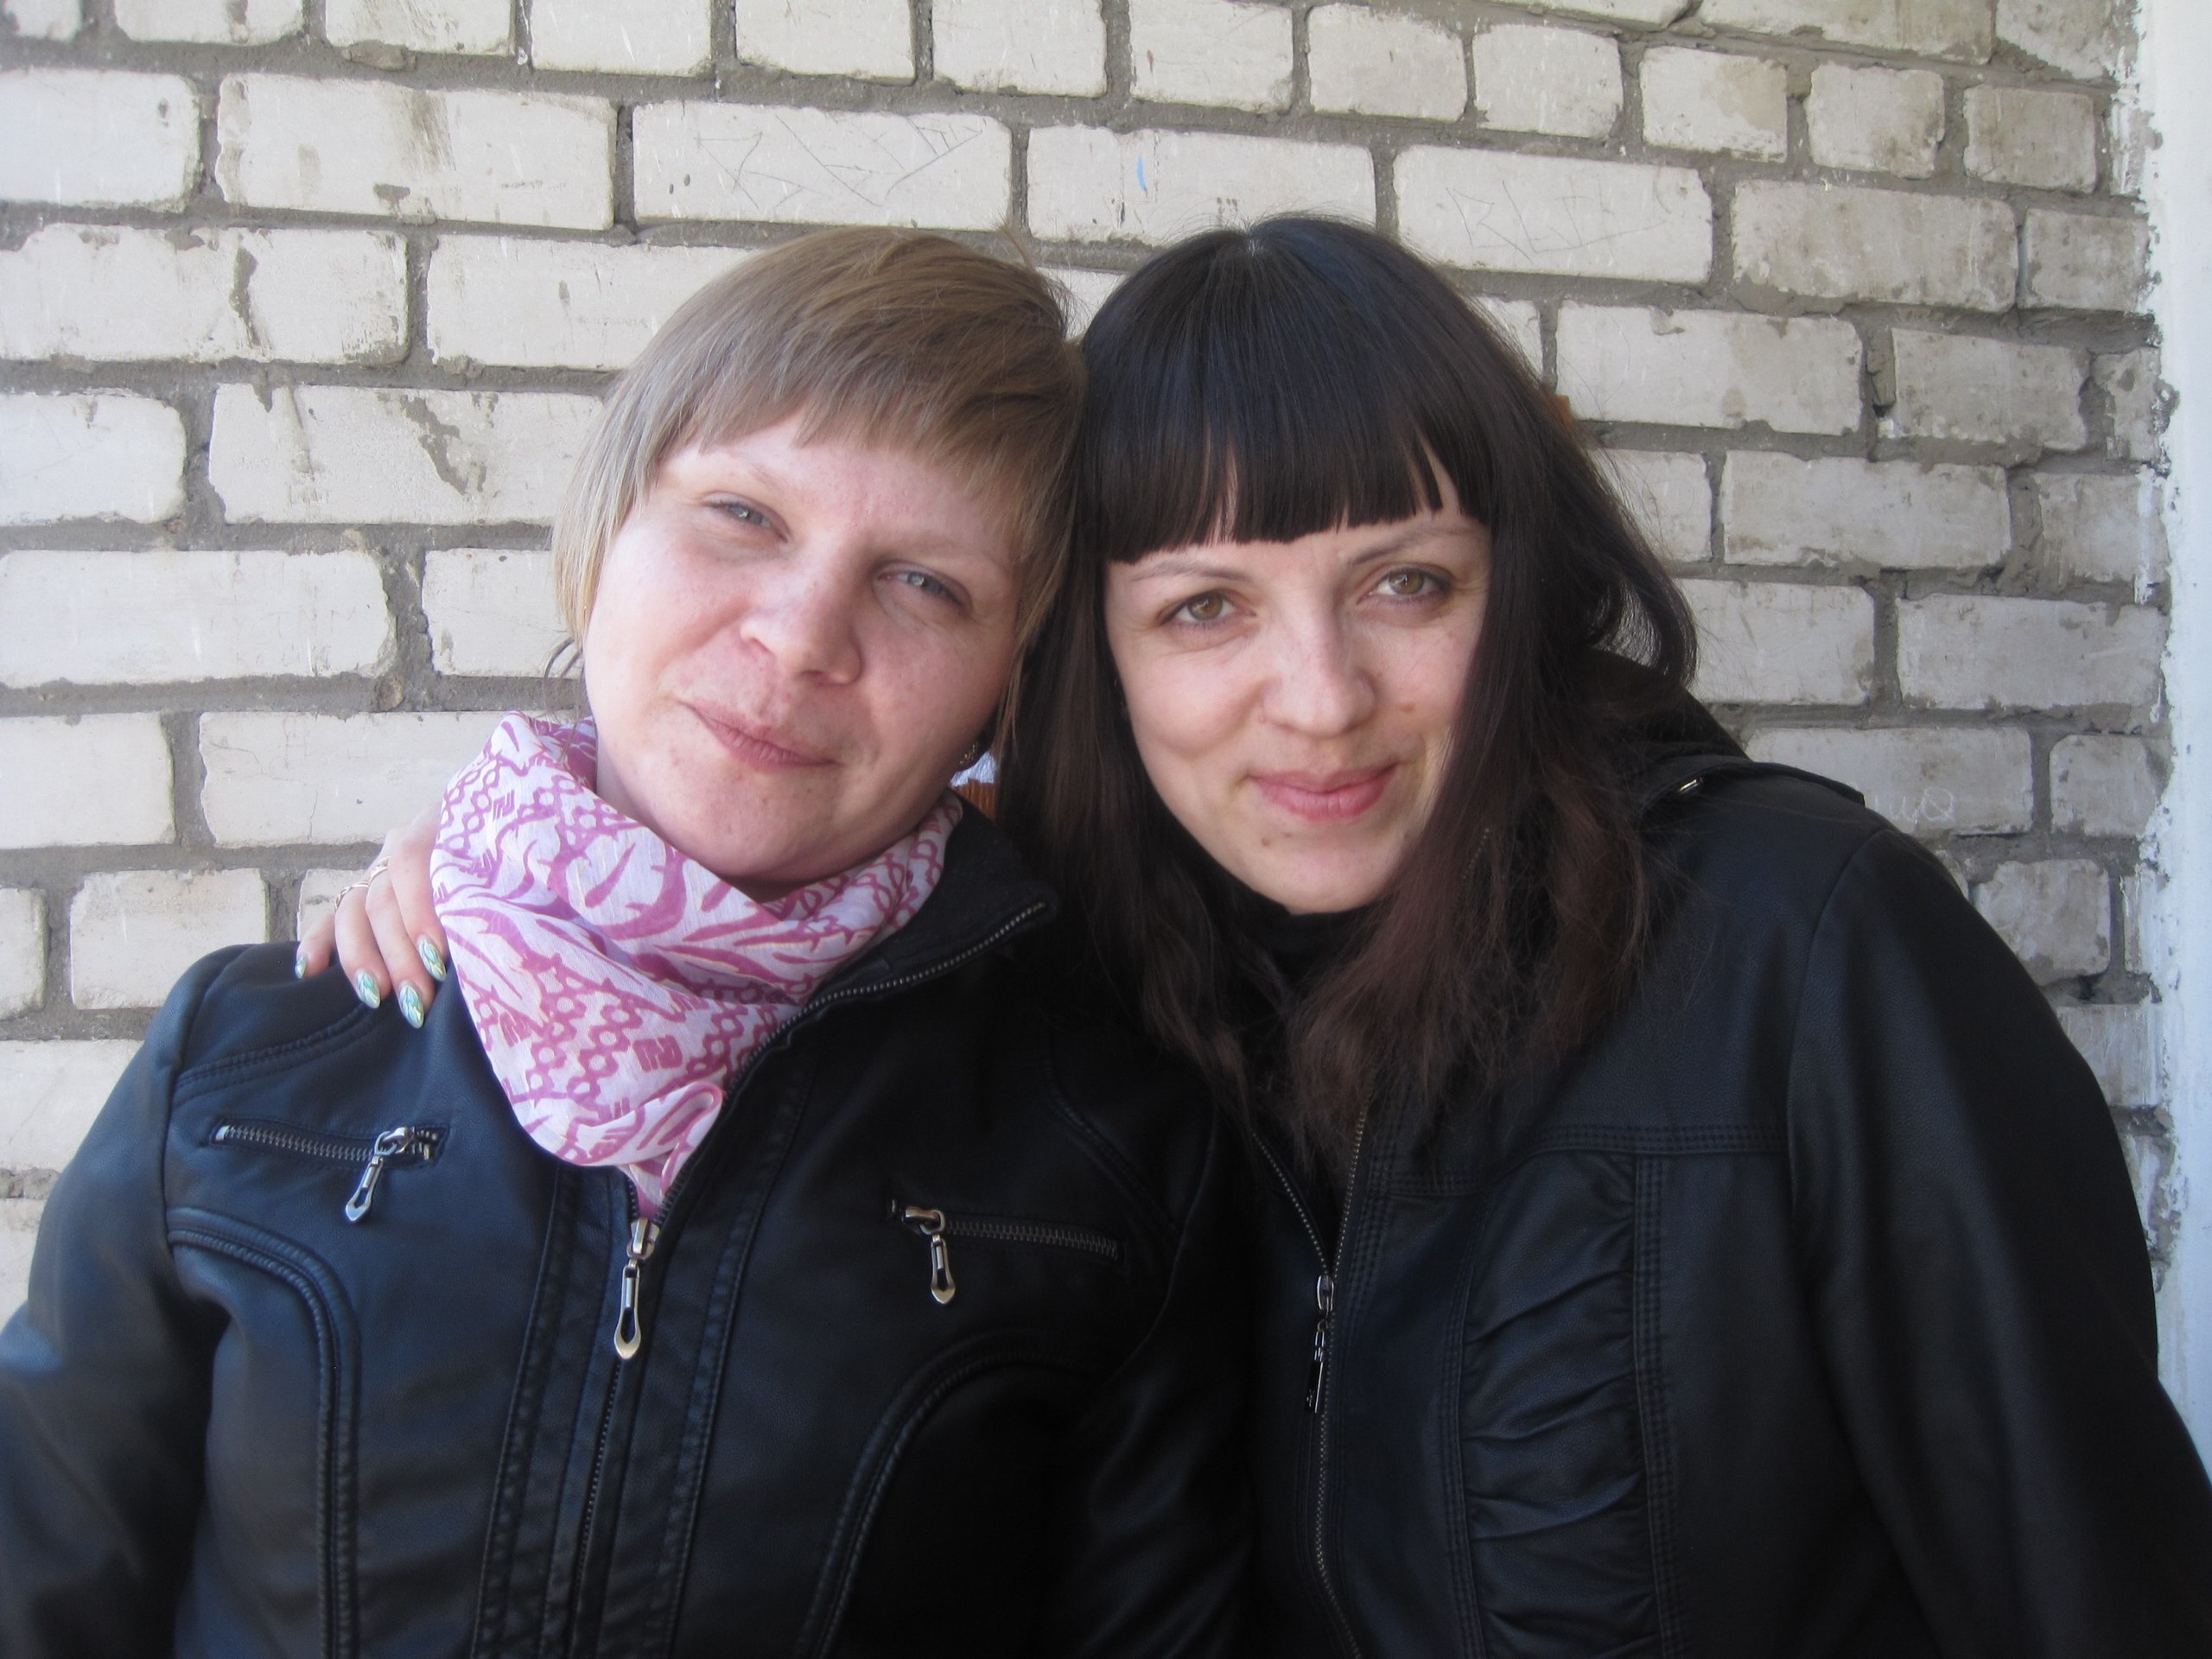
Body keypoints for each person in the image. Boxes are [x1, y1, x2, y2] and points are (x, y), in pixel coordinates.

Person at [321, 219, 2212, 1654]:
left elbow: (2095, 1587)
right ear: (1090, 663)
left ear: (1521, 587)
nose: (1319, 701)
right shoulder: (1123, 997)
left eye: (1406, 584)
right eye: (1205, 609)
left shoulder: (1803, 947)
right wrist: (509, 877)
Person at [0, 229, 1250, 1658]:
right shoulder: (247, 1058)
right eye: (743, 514)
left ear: (1001, 694)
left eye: (924, 583)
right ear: (605, 534)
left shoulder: (1107, 1153)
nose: (800, 635)